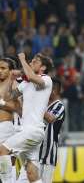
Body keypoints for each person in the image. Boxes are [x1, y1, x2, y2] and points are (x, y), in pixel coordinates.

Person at [0, 52, 53, 183]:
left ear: (43, 67)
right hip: (26, 131)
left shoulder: (46, 79)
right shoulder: (25, 83)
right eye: (31, 61)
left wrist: (22, 59)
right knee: (31, 171)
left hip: (33, 130)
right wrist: (10, 79)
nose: (31, 63)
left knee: (3, 149)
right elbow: (8, 96)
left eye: (35, 61)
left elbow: (30, 75)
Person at [38, 78, 65, 183]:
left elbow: (50, 118)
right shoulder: (45, 104)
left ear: (53, 90)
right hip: (37, 149)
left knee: (46, 181)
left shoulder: (59, 106)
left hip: (49, 152)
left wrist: (38, 105)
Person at [0, 57, 21, 183]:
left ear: (11, 71)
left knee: (6, 158)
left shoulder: (14, 85)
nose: (0, 71)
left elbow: (19, 108)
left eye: (3, 68)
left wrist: (2, 103)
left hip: (5, 126)